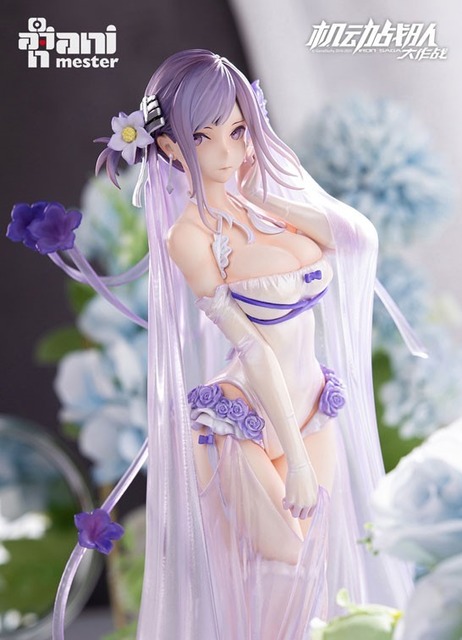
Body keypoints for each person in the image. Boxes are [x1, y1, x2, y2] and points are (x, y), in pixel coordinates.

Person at [11, 49, 420, 639]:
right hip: (243, 414)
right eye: (203, 137)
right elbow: (253, 349)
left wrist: (262, 196)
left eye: (237, 129)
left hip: (311, 402)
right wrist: (296, 459)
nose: (227, 151)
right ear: (171, 147)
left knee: (309, 564)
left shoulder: (271, 208)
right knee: (279, 557)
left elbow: (355, 238)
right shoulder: (190, 235)